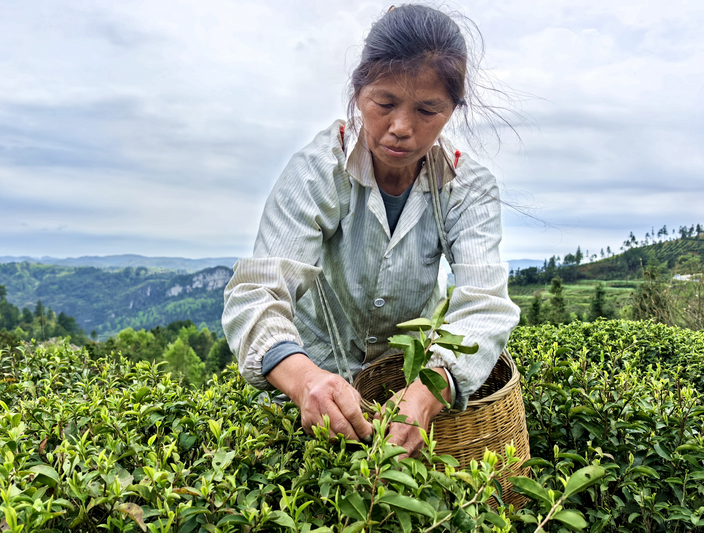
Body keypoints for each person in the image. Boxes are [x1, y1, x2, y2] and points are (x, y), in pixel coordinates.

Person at [223, 4, 520, 458]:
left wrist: (430, 390)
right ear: (359, 91)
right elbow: (259, 292)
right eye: (384, 103)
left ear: (453, 110)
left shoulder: (468, 187)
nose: (401, 128)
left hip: (406, 388)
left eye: (427, 110)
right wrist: (304, 380)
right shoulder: (318, 171)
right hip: (311, 393)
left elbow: (484, 302)